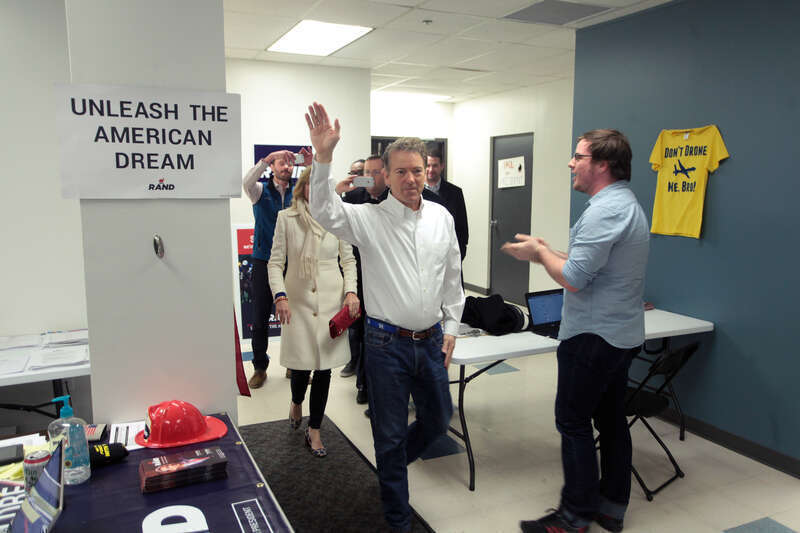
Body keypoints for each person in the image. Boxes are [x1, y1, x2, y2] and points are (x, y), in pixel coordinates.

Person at [305, 102, 464, 533]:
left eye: (418, 169)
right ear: (386, 177)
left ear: (426, 170)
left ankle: (390, 465)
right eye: (401, 172)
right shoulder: (368, 219)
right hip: (385, 344)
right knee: (390, 435)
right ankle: (398, 520)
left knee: (436, 422)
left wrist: (451, 327)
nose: (412, 179)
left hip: (431, 342)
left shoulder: (442, 218)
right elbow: (323, 210)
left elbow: (452, 276)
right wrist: (323, 158)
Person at [502, 129, 649, 533]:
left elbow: (573, 279)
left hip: (592, 338)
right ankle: (610, 507)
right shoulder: (622, 204)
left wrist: (539, 254)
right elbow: (587, 262)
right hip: (620, 334)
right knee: (611, 421)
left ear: (602, 164)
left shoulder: (604, 210)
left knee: (573, 421)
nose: (571, 163)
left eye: (578, 156)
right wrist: (546, 250)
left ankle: (574, 516)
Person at [268, 166, 359, 457]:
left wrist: (351, 291)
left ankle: (315, 429)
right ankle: (296, 401)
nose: (315, 189)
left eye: (321, 184)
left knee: (324, 368)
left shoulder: (337, 217)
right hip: (297, 302)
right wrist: (279, 296)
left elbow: (348, 260)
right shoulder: (287, 218)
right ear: (303, 187)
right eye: (311, 183)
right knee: (302, 363)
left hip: (332, 302)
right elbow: (274, 262)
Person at [242, 149, 307, 389]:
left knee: (294, 316)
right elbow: (246, 182)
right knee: (260, 317)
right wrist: (266, 159)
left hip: (292, 262)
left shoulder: (298, 194)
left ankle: (293, 364)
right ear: (273, 166)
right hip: (264, 261)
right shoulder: (259, 191)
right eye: (281, 163)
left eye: (290, 164)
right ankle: (260, 368)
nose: (286, 167)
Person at [426, 148, 469, 261]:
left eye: (435, 165)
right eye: (428, 165)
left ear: (442, 166)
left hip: (449, 256)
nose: (430, 169)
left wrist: (457, 257)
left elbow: (462, 230)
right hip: (424, 257)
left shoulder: (455, 193)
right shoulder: (415, 193)